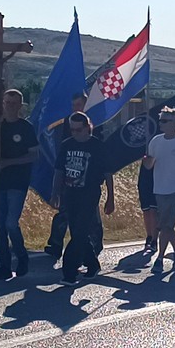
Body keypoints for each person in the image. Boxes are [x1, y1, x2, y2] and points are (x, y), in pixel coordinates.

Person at [51, 112, 115, 285]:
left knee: (80, 231)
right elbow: (59, 170)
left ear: (88, 128)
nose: (75, 133)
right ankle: (92, 264)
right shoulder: (66, 145)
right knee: (78, 232)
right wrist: (55, 193)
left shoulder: (97, 146)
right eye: (72, 130)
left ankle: (69, 272)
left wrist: (111, 197)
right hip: (70, 193)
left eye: (78, 130)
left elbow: (108, 173)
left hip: (89, 193)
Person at [0, 89, 37, 280]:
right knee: (0, 226)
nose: (9, 106)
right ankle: (4, 266)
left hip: (18, 181)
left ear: (20, 106)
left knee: (11, 223)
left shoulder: (26, 127)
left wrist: (10, 162)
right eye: (7, 103)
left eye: (13, 103)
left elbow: (34, 155)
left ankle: (22, 257)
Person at [145, 107, 175, 273]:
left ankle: (159, 259)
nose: (161, 123)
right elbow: (149, 165)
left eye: (165, 121)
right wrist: (146, 160)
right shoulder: (155, 141)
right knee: (166, 225)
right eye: (161, 120)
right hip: (160, 188)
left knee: (165, 224)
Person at [44, 92, 88, 260]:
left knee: (89, 217)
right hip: (69, 176)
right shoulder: (67, 124)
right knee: (63, 212)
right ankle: (55, 245)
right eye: (73, 105)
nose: (76, 108)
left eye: (79, 105)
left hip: (87, 180)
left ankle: (92, 247)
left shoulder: (93, 122)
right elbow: (62, 148)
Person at [137, 154, 157, 252]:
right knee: (146, 210)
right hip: (144, 179)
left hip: (156, 178)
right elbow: (147, 164)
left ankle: (154, 239)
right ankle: (149, 236)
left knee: (153, 211)